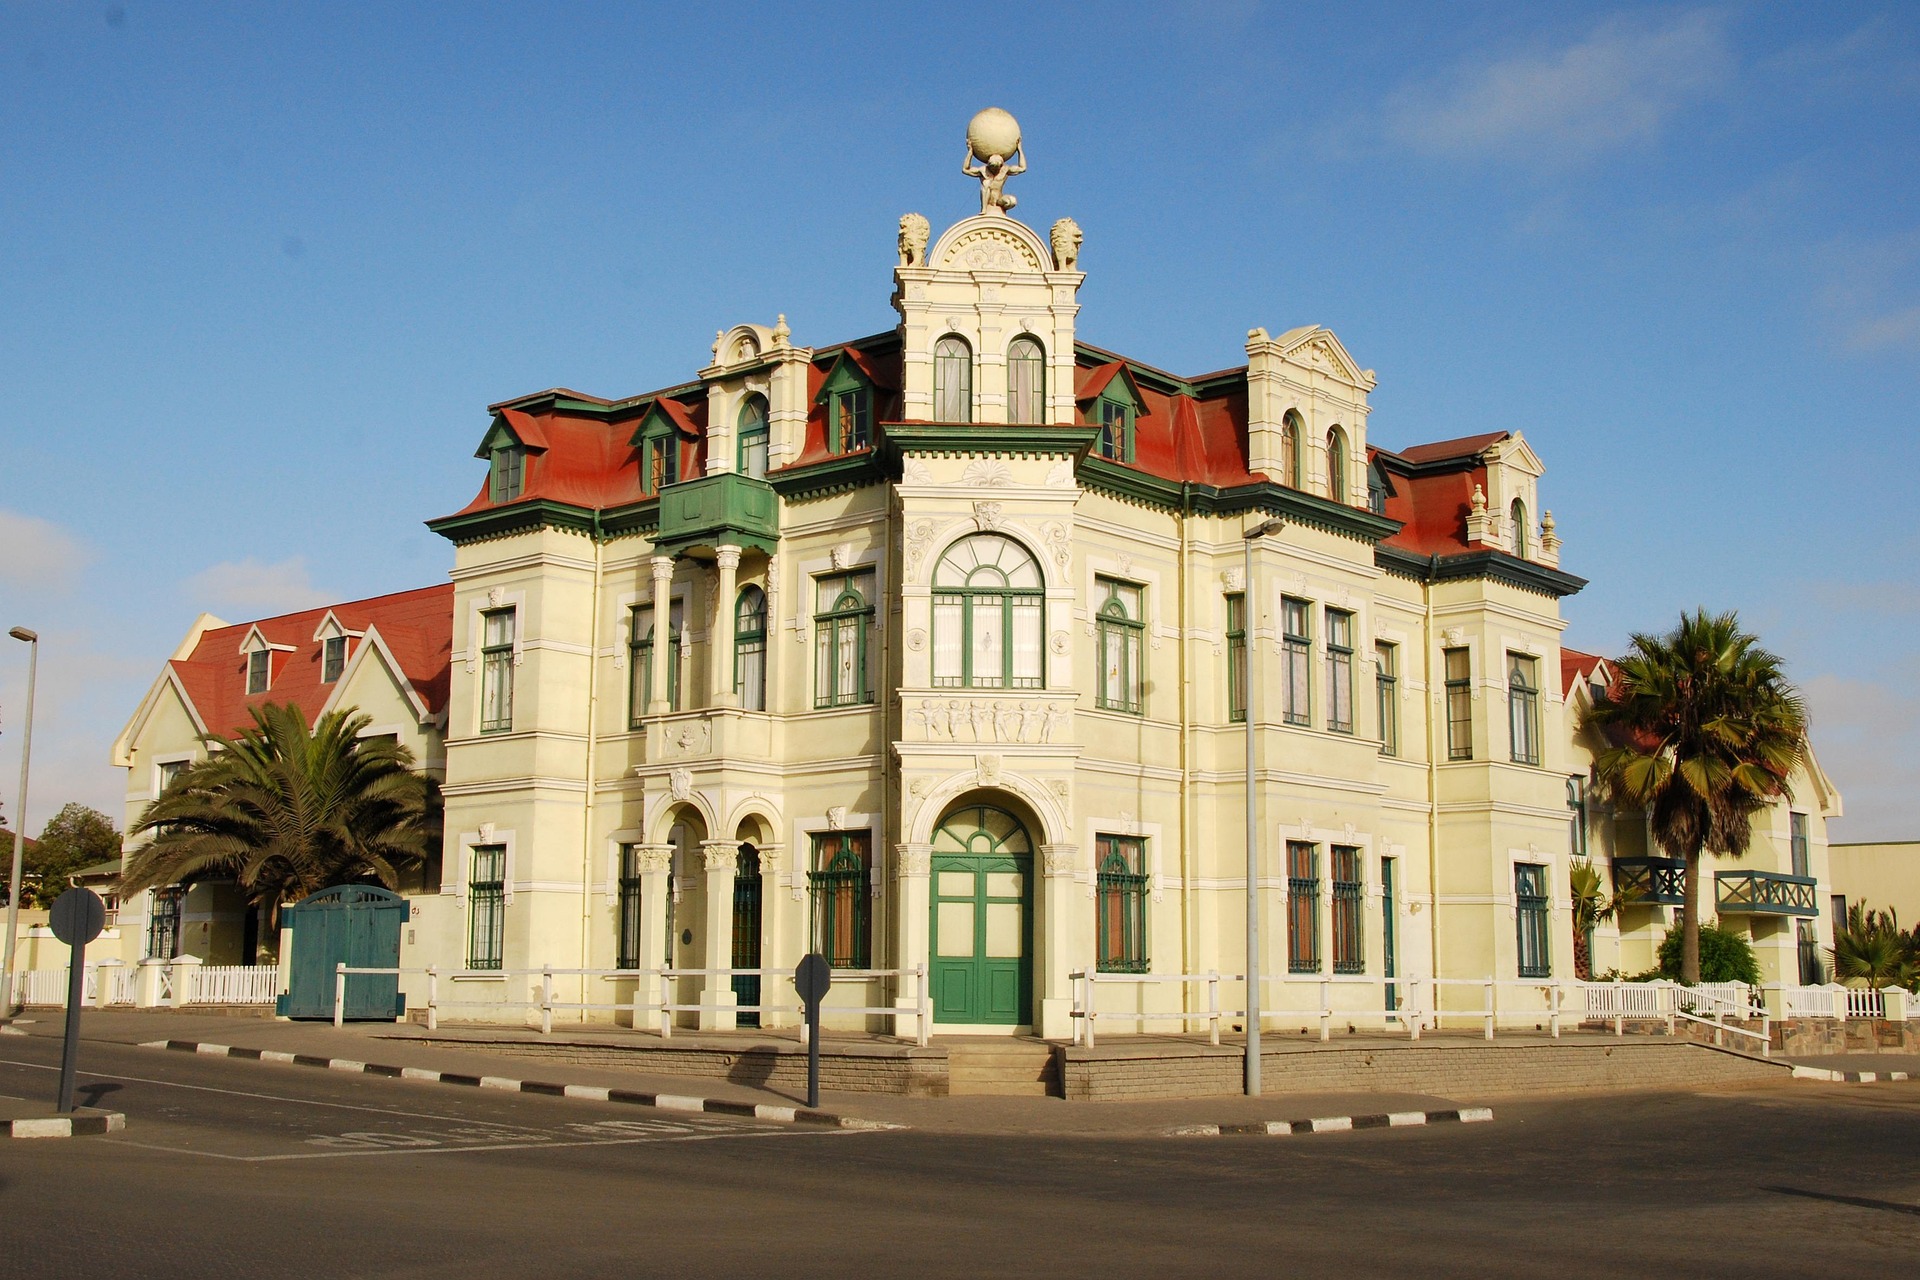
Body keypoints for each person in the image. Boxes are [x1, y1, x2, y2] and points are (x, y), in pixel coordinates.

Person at [963, 144, 1026, 215]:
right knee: (986, 183)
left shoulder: (1005, 169)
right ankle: (984, 208)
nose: (994, 170)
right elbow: (965, 169)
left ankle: (999, 210)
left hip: (999, 199)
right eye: (992, 168)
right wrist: (970, 153)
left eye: (996, 168)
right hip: (988, 199)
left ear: (1000, 166)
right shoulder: (983, 170)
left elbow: (1022, 168)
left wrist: (1019, 149)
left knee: (1012, 201)